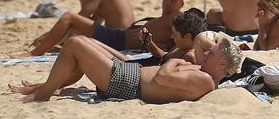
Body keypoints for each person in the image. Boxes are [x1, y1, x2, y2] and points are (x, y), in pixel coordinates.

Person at [13, 33, 237, 103]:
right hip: (129, 74)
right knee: (81, 40)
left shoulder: (206, 81)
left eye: (212, 53)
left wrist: (174, 62)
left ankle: (42, 94)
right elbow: (199, 38)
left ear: (222, 64)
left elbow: (162, 77)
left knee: (74, 45)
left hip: (127, 84)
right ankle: (44, 86)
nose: (206, 53)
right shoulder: (204, 70)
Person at [27, 0, 137, 55]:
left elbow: (78, 20)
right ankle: (48, 43)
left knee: (68, 18)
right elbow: (91, 25)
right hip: (124, 38)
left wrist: (45, 37)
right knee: (74, 34)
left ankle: (35, 52)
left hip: (119, 37)